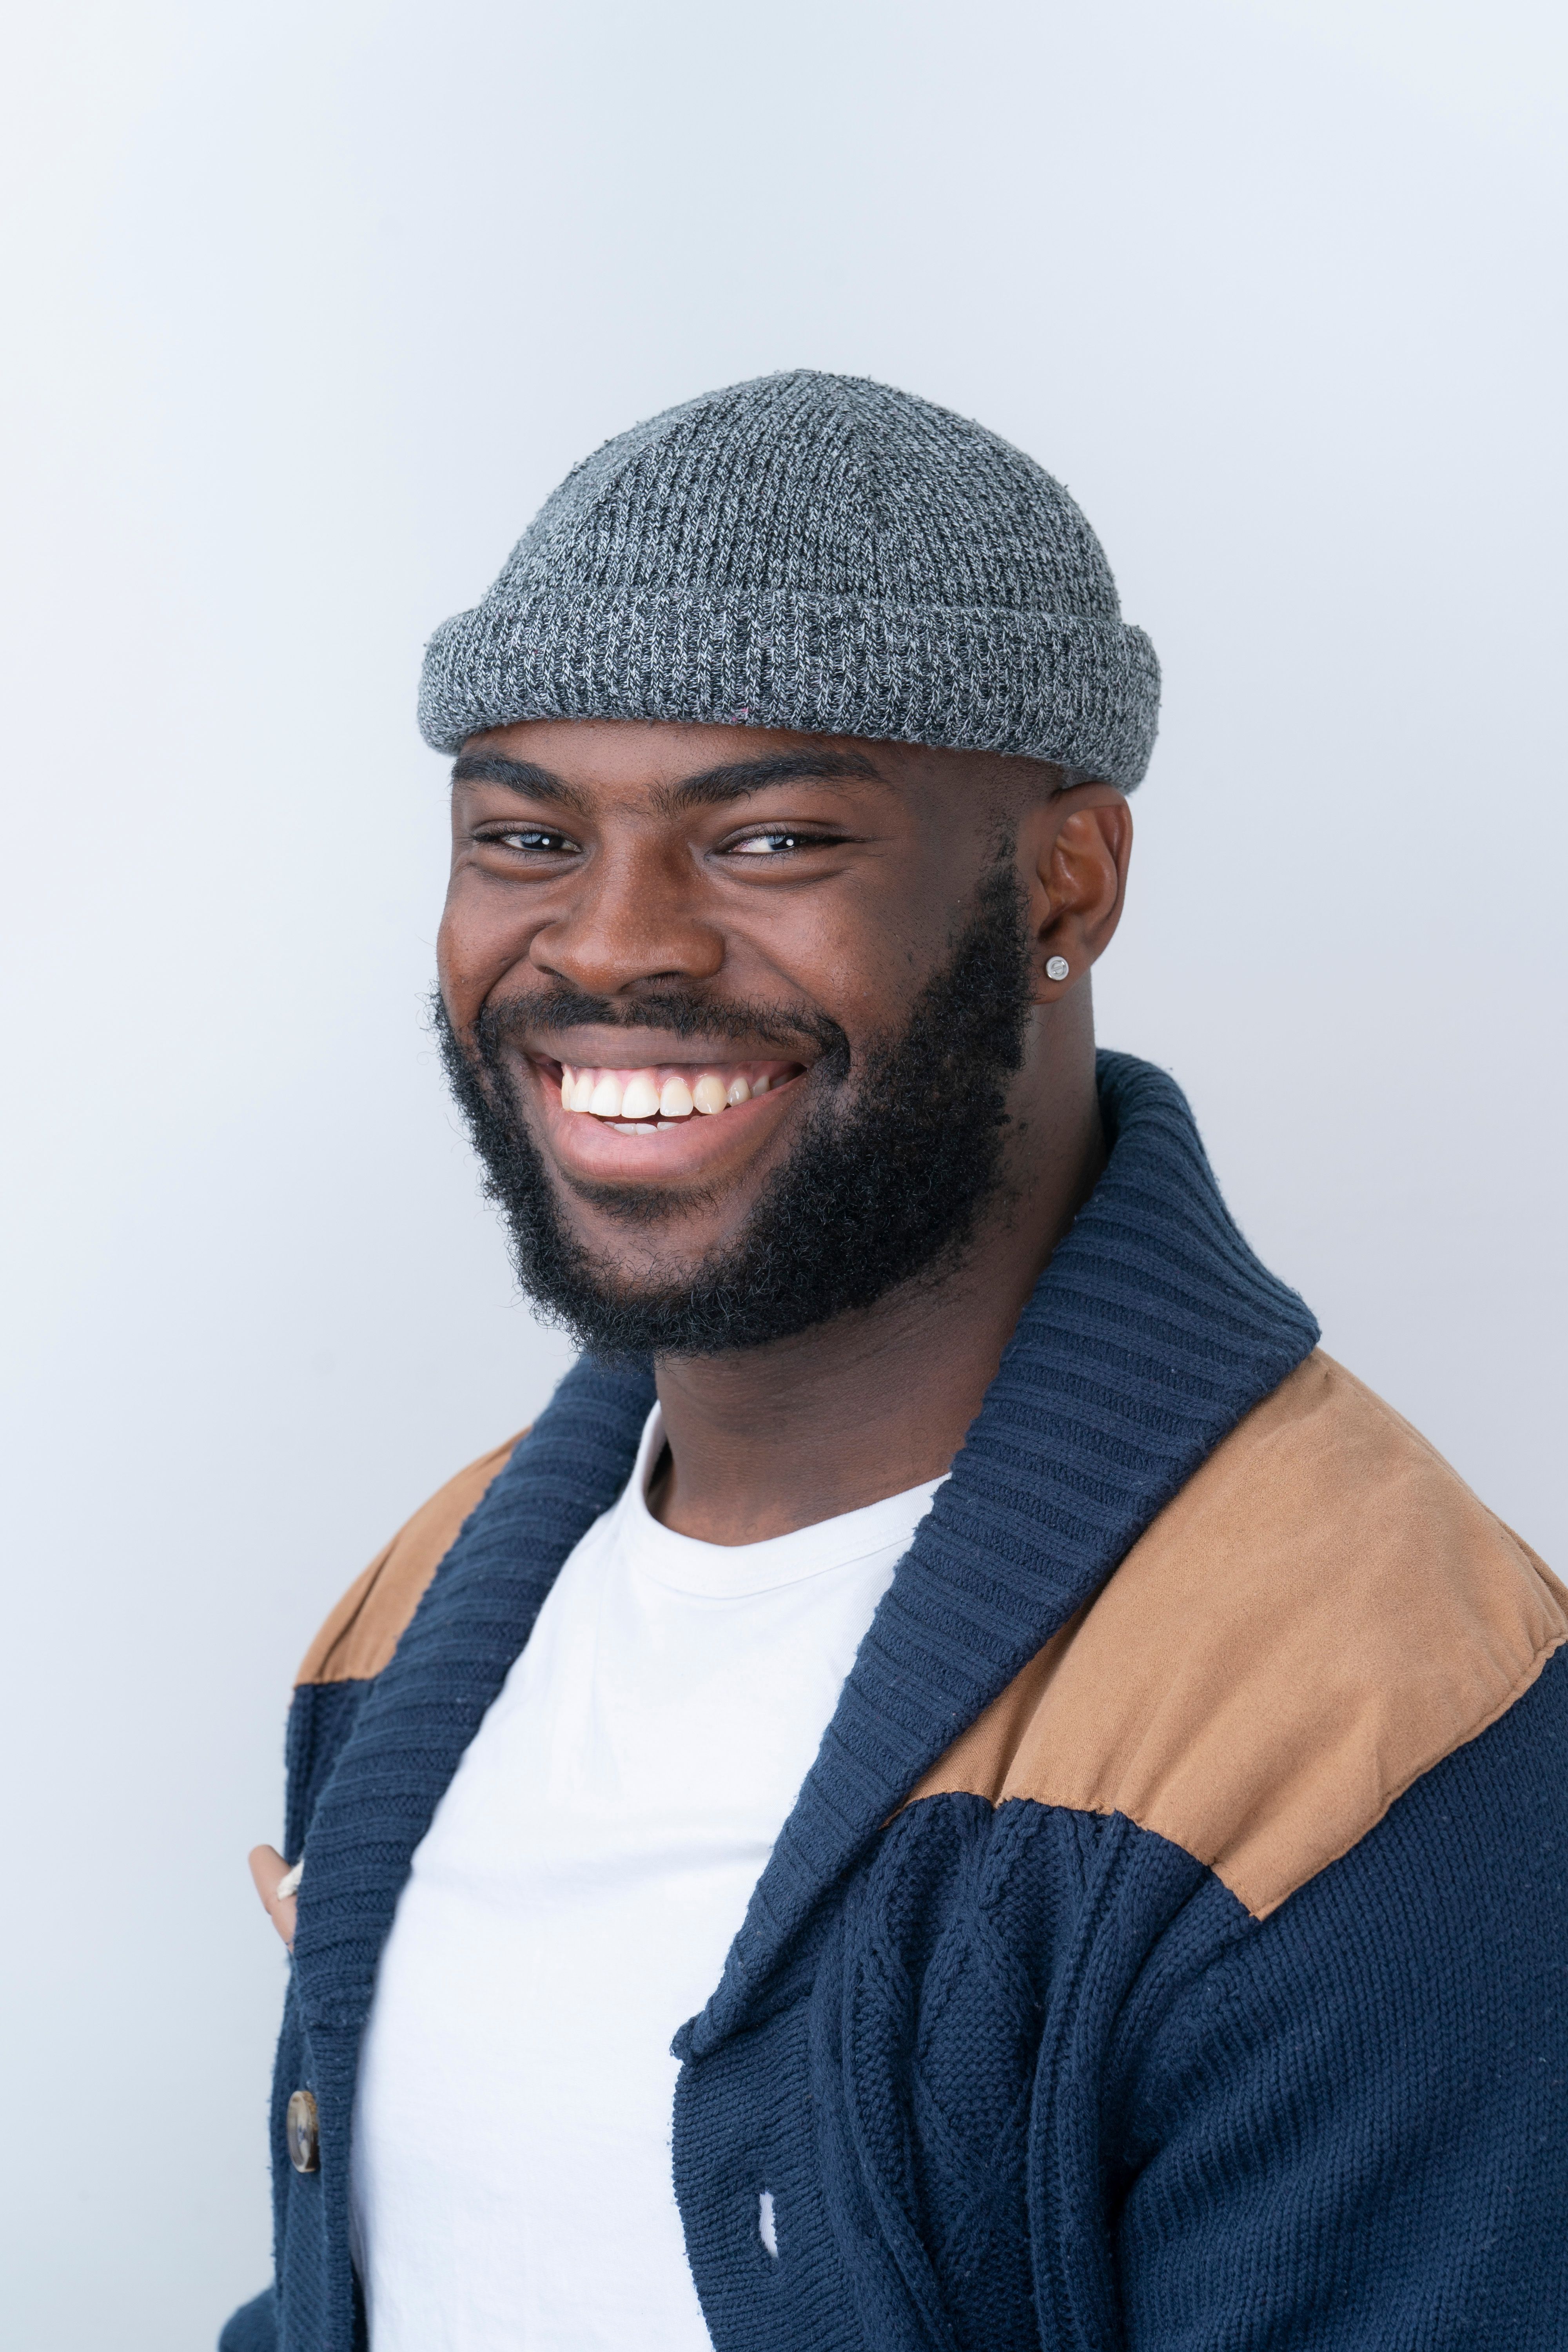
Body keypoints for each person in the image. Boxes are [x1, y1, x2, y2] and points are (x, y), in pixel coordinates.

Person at [225, 372, 1566, 2352]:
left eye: (765, 838)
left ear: (1064, 885)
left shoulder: (1370, 1728)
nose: (613, 945)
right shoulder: (420, 1615)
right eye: (523, 833)